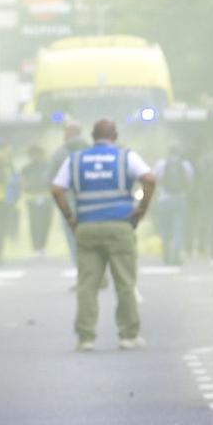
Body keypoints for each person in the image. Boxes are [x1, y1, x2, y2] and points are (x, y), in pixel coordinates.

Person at [51, 118, 156, 352]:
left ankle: (85, 337)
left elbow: (57, 188)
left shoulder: (76, 159)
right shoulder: (125, 156)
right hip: (119, 226)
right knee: (125, 283)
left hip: (87, 227)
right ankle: (128, 335)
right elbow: (149, 178)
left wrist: (70, 218)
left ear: (92, 136)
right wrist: (140, 210)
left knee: (87, 284)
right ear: (115, 136)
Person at [21, 145, 56, 255]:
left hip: (46, 198)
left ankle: (42, 246)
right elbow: (23, 183)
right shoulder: (26, 168)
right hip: (32, 198)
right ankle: (36, 247)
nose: (35, 156)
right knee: (34, 223)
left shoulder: (48, 166)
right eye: (32, 154)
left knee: (46, 222)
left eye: (37, 154)